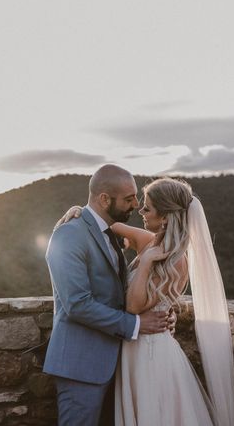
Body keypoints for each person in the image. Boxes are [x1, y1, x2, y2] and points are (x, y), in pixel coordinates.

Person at [58, 176, 234, 425]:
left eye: (148, 207)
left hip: (151, 355)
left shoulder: (177, 261)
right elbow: (103, 226)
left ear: (165, 216)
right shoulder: (148, 240)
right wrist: (78, 210)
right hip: (131, 348)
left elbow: (133, 307)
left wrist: (144, 263)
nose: (140, 210)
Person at [43, 164, 172, 426]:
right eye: (128, 198)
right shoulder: (69, 234)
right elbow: (77, 305)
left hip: (115, 364)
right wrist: (136, 324)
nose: (136, 204)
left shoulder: (107, 231)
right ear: (104, 199)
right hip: (81, 366)